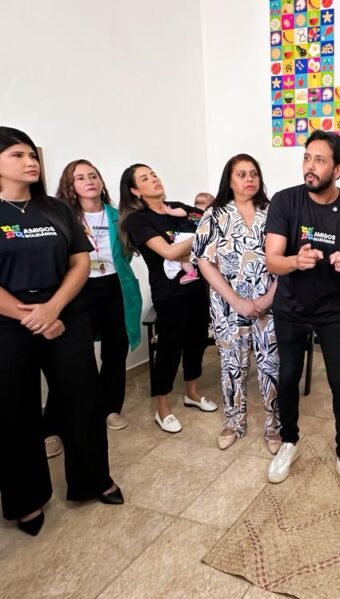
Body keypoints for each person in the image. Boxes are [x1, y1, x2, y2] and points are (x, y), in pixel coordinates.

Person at [0, 127, 123, 535]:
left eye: (31, 154)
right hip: (9, 324)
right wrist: (31, 317)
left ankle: (93, 480)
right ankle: (26, 499)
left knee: (83, 401)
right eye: (17, 155)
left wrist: (53, 309)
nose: (30, 161)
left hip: (66, 313)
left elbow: (80, 262)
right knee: (15, 412)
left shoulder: (55, 209)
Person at [264, 130, 340, 500]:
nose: (309, 166)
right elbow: (272, 260)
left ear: (338, 169)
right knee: (288, 376)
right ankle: (289, 441)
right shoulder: (285, 201)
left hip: (332, 310)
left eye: (320, 160)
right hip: (290, 309)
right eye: (307, 158)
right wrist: (295, 261)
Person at [44, 160, 143, 437]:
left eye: (93, 176)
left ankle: (110, 408)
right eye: (80, 178)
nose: (89, 181)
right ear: (70, 186)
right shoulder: (62, 217)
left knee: (115, 351)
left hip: (115, 287)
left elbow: (128, 253)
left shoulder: (118, 216)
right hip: (78, 289)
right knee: (71, 357)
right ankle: (53, 426)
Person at [119, 164, 217, 433]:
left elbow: (212, 219)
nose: (154, 179)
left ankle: (192, 393)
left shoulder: (179, 208)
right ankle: (162, 407)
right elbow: (170, 253)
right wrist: (200, 237)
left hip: (197, 286)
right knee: (169, 347)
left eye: (154, 174)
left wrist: (201, 234)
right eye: (145, 178)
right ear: (135, 190)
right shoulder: (138, 220)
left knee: (197, 340)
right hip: (169, 292)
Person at [193, 154, 281, 452]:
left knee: (271, 366)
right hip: (228, 306)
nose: (249, 179)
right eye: (241, 174)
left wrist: (267, 298)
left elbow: (285, 259)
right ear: (229, 181)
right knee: (232, 365)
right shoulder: (214, 214)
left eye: (253, 173)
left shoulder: (273, 212)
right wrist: (237, 302)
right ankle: (234, 422)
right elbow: (204, 263)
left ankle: (274, 426)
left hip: (269, 304)